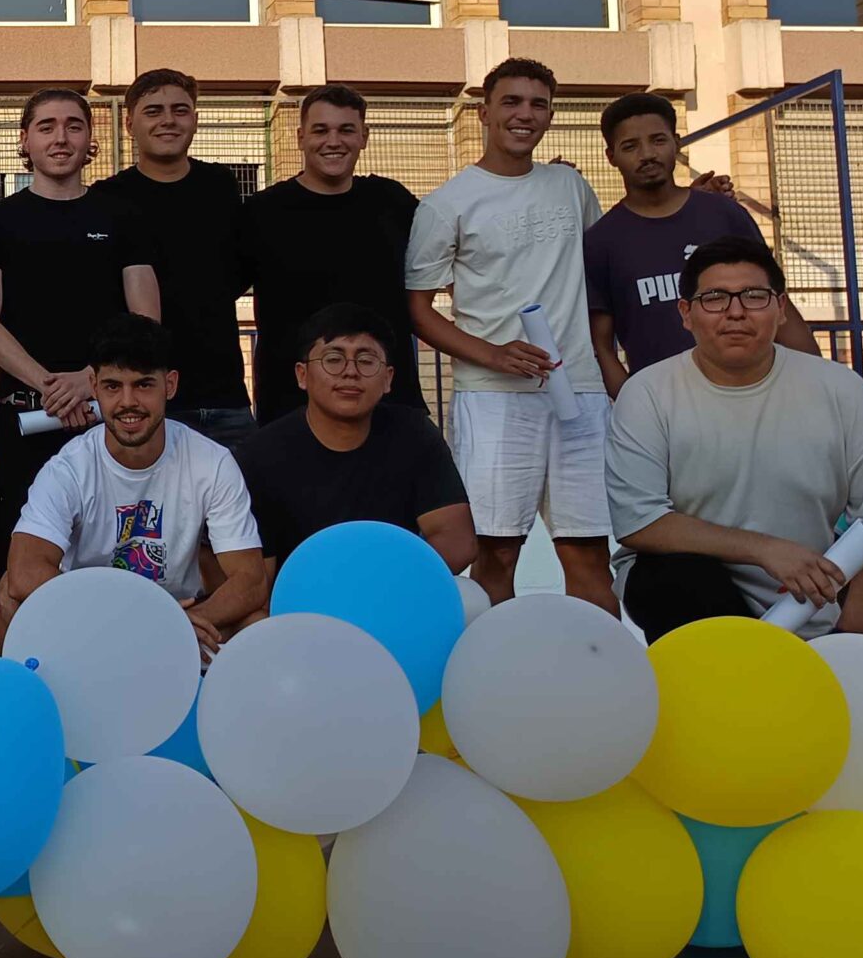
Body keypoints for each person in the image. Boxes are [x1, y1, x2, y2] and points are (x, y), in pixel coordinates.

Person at [608, 238, 863, 655]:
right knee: (673, 577)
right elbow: (640, 522)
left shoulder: (840, 390)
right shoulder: (648, 393)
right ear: (686, 313)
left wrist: (851, 638)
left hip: (807, 604)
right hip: (689, 596)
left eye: (754, 296)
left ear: (781, 309)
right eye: (715, 298)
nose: (735, 312)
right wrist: (765, 550)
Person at [407, 58, 615, 611]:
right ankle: (495, 664)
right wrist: (493, 355)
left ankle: (598, 665)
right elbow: (419, 310)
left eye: (538, 104)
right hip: (494, 399)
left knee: (588, 555)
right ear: (484, 112)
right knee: (497, 553)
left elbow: (605, 266)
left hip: (581, 392)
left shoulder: (570, 185)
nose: (525, 114)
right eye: (511, 102)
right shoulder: (447, 204)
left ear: (550, 115)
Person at [0, 90, 161, 576]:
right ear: (24, 140)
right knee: (19, 574)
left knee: (117, 565)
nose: (61, 138)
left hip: (109, 421)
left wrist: (90, 380)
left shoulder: (122, 217)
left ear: (90, 139)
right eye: (47, 126)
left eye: (74, 126)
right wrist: (51, 386)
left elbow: (146, 321)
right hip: (27, 424)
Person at [0, 314, 266, 659]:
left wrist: (178, 623)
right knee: (8, 597)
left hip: (179, 617)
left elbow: (251, 579)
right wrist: (131, 621)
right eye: (113, 386)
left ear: (170, 385)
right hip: (90, 622)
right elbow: (24, 572)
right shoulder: (69, 467)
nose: (128, 402)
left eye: (143, 385)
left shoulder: (212, 462)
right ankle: (12, 693)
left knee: (256, 622)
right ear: (93, 386)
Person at [584, 91, 817, 393]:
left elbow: (778, 305)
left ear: (676, 143)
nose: (647, 154)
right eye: (630, 146)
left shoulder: (724, 215)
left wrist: (817, 381)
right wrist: (633, 405)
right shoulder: (601, 241)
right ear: (611, 156)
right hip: (665, 403)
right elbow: (602, 347)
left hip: (753, 393)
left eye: (658, 140)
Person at [234, 304, 477, 575]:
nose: (350, 372)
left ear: (388, 379)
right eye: (333, 359)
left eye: (366, 361)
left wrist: (373, 586)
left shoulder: (414, 433)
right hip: (302, 593)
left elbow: (458, 543)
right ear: (302, 375)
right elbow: (258, 576)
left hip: (395, 585)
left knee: (469, 595)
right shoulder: (259, 456)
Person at [238, 85, 426, 422]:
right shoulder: (263, 212)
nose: (333, 141)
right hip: (293, 408)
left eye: (346, 130)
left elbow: (453, 252)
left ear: (364, 136)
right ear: (301, 137)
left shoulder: (391, 202)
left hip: (390, 404)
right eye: (321, 130)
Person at [94, 68, 254, 445]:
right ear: (129, 124)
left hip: (225, 396)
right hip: (145, 400)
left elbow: (239, 270)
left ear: (195, 120)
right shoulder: (108, 198)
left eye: (180, 110)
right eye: (153, 111)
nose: (168, 120)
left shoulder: (220, 186)